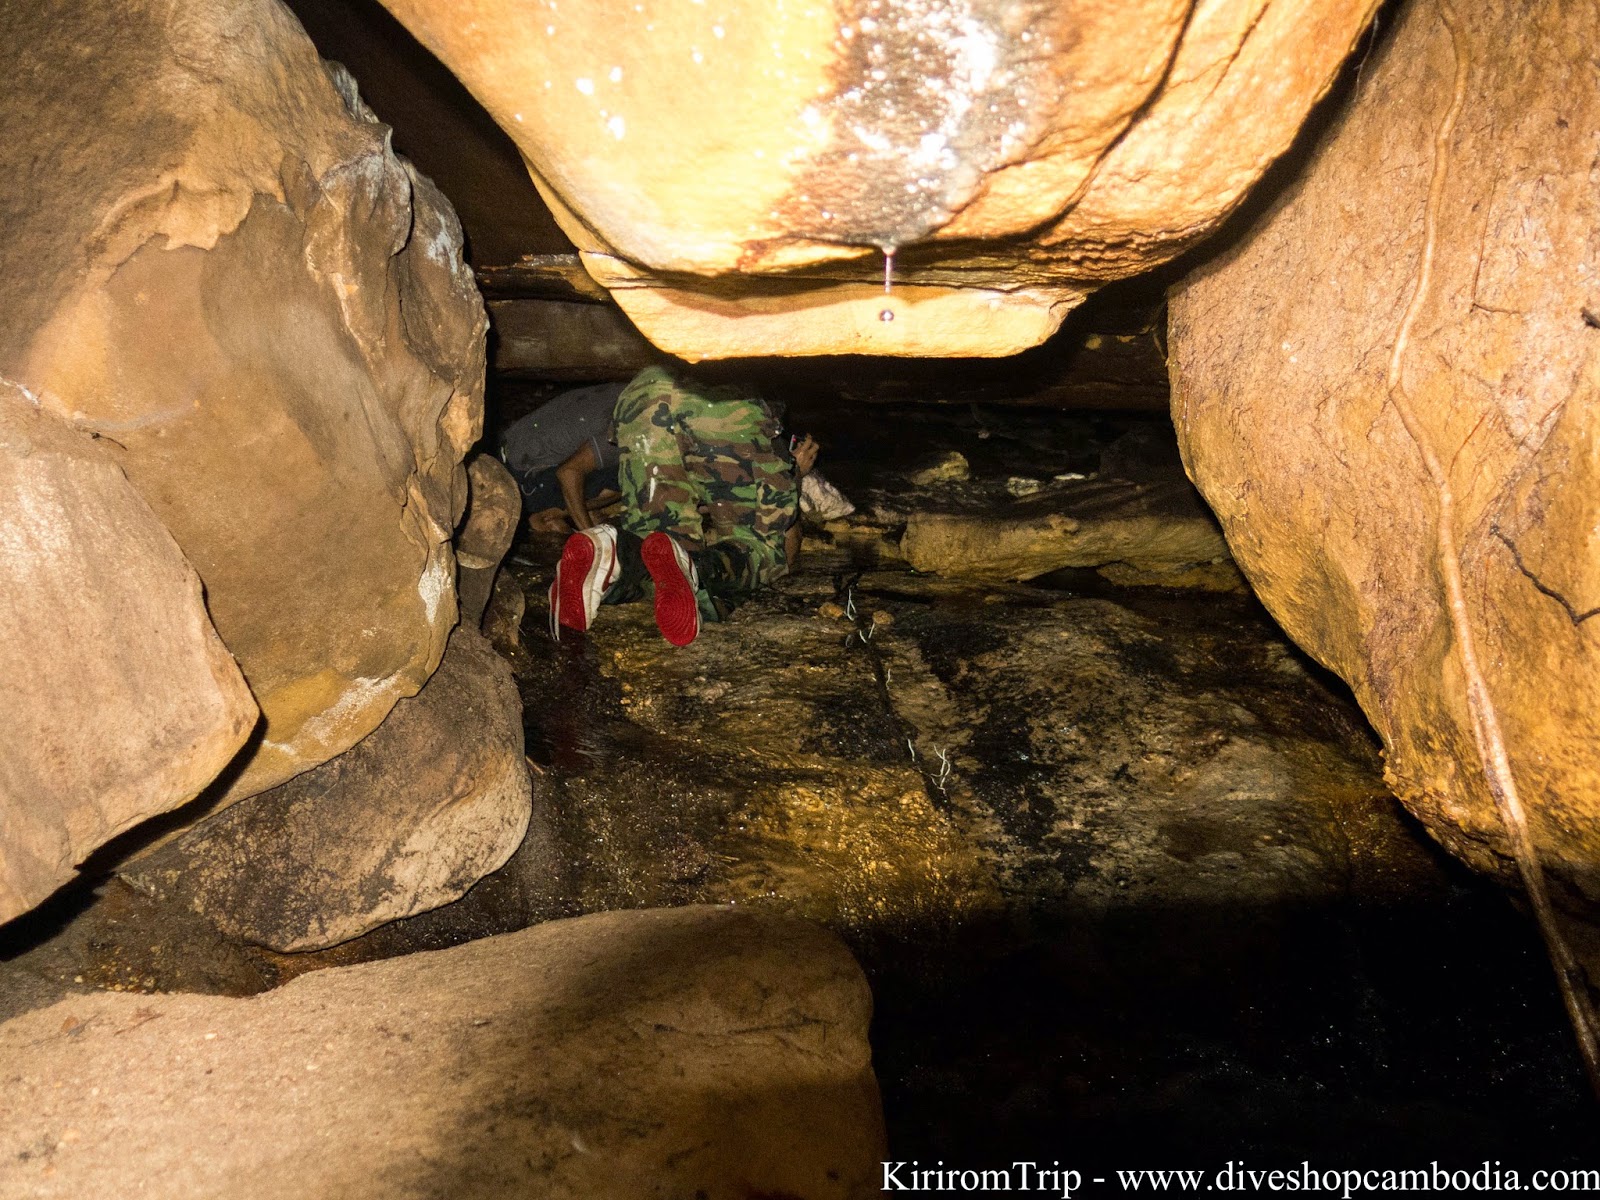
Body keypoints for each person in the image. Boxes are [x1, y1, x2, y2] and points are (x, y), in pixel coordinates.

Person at [549, 364, 818, 647]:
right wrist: (793, 479)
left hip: (645, 393)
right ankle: (694, 569)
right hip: (725, 399)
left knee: (660, 542)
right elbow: (783, 545)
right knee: (759, 549)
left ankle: (614, 554)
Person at [498, 381, 625, 533]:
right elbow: (568, 473)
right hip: (519, 470)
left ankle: (558, 512)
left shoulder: (637, 395)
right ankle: (541, 515)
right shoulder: (628, 427)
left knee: (627, 479)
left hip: (526, 445)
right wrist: (591, 537)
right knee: (623, 478)